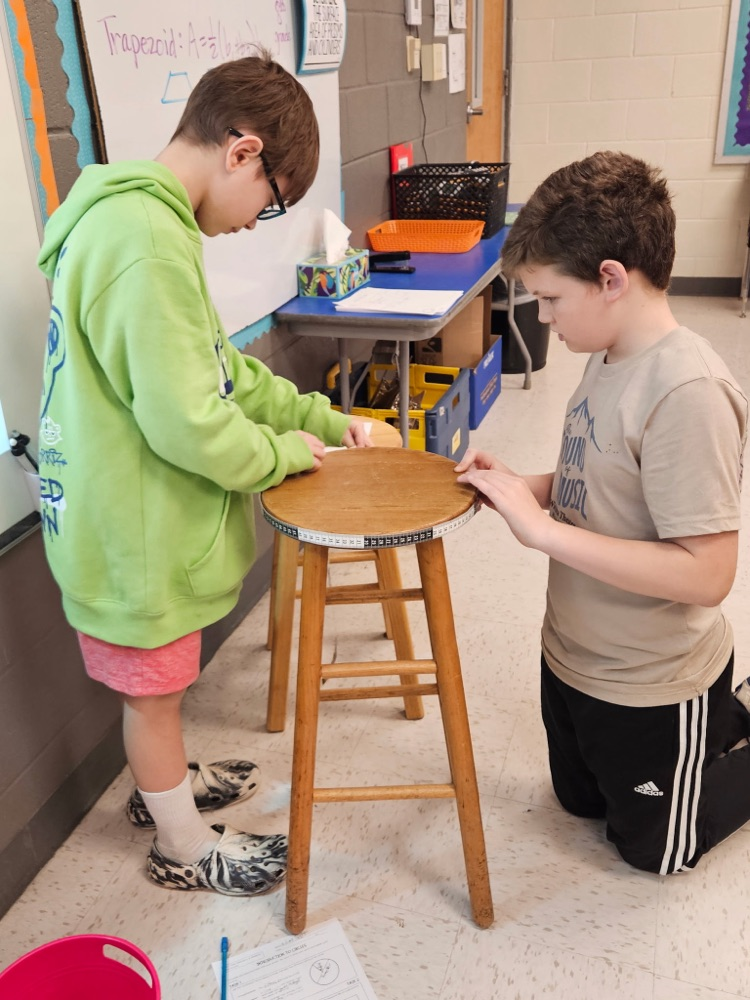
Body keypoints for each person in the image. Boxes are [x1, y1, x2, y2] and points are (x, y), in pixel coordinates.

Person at [36, 52, 370, 897]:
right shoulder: (145, 242)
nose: (261, 219)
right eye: (273, 200)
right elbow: (190, 421)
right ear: (242, 151)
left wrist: (325, 420)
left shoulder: (143, 226)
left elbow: (223, 373)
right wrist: (287, 455)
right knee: (152, 693)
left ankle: (167, 788)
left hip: (125, 518)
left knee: (159, 686)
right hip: (134, 531)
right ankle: (181, 845)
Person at [456, 150, 750, 875]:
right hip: (575, 657)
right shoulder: (608, 352)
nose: (544, 317)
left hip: (650, 678)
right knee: (578, 803)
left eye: (550, 300)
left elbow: (708, 574)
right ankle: (722, 719)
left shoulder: (687, 393)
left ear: (611, 279)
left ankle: (720, 719)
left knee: (654, 851)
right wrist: (530, 487)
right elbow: (599, 473)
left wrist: (544, 533)